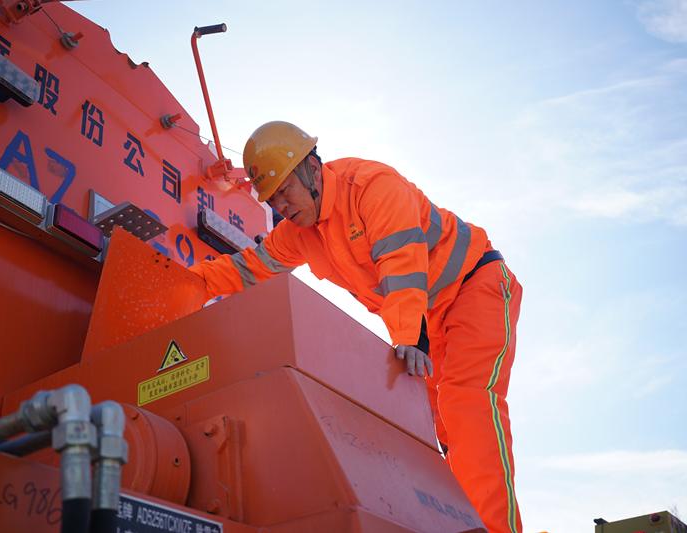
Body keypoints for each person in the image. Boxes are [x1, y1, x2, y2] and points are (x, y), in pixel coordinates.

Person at [189, 121, 523, 533]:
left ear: (312, 167)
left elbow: (402, 259)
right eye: (272, 199)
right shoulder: (297, 233)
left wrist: (405, 337)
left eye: (285, 191)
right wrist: (189, 281)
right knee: (439, 431)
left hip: (475, 286)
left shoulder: (369, 185)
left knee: (466, 404)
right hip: (426, 321)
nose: (281, 206)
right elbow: (249, 268)